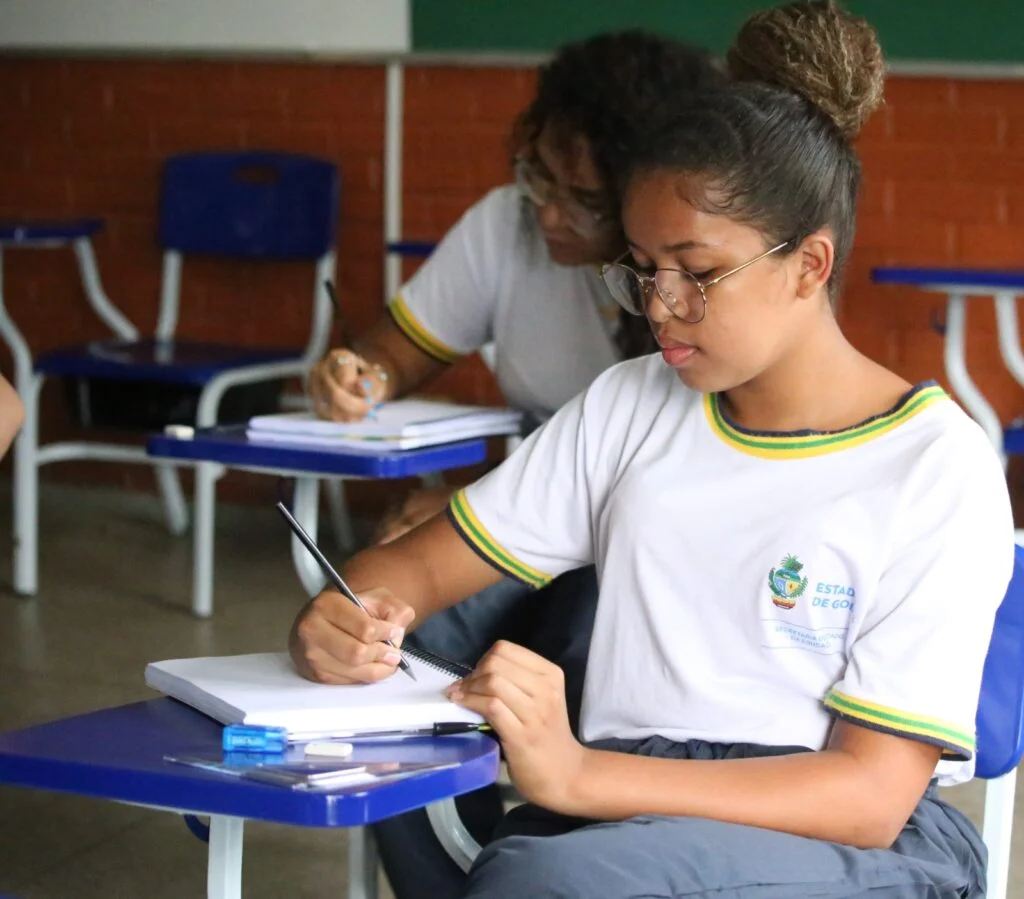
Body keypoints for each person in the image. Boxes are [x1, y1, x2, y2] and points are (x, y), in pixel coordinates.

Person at [290, 2, 1014, 896]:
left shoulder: (934, 465)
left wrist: (578, 774)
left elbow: (867, 794)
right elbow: (415, 574)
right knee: (495, 845)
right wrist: (346, 614)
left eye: (698, 271)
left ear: (809, 265)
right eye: (641, 267)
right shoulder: (630, 406)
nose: (658, 305)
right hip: (625, 814)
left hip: (855, 840)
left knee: (545, 882)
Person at [309, 33, 721, 899]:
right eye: (537, 176)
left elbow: (654, 489)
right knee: (393, 646)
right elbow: (393, 351)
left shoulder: (683, 296)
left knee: (586, 653)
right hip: (523, 523)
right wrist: (361, 376)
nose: (546, 212)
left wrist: (461, 500)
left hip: (631, 547)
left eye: (582, 198)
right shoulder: (505, 227)